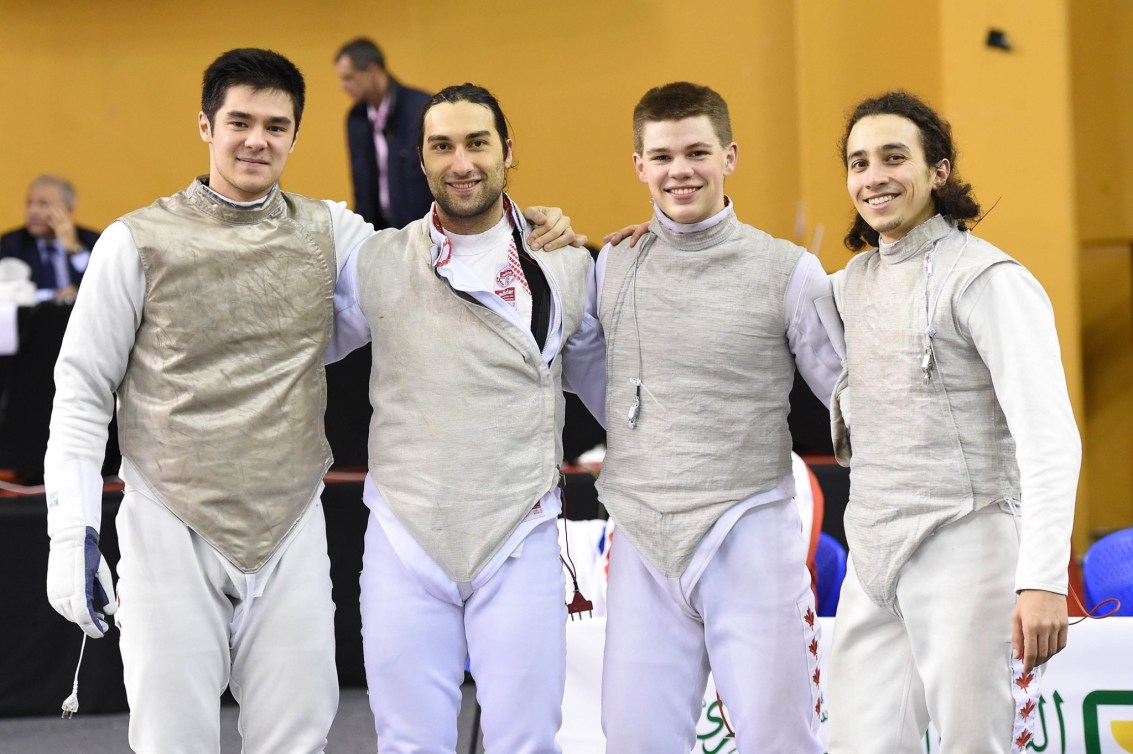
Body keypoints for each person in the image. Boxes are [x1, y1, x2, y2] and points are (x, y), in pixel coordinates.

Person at [43, 50, 576, 754]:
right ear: (206, 125)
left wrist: (527, 230)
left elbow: (431, 255)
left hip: (289, 522)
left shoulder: (329, 233)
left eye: (275, 124)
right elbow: (80, 389)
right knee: (174, 739)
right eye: (239, 122)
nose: (255, 140)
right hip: (171, 519)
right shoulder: (134, 241)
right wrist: (69, 529)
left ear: (295, 136)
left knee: (298, 738)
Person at [327, 82, 606, 754]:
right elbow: (295, 347)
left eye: (477, 143)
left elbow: (608, 390)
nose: (461, 162)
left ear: (508, 151)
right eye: (442, 146)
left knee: (526, 741)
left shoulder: (564, 262)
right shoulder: (380, 262)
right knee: (407, 743)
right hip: (406, 533)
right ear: (419, 162)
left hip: (520, 533)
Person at [825, 90, 1081, 753]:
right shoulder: (847, 284)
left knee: (975, 744)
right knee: (861, 744)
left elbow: (1048, 435)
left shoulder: (988, 279)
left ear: (938, 170)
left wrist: (1043, 578)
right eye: (857, 163)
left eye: (892, 157)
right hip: (873, 554)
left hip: (965, 538)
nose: (873, 176)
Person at [594, 81, 840, 753]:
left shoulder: (788, 270)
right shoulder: (611, 263)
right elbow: (594, 381)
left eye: (697, 152)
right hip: (642, 533)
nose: (681, 170)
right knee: (636, 740)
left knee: (778, 738)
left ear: (729, 156)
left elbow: (847, 397)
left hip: (748, 526)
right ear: (638, 165)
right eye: (663, 156)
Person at [335, 37, 433, 230]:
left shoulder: (421, 109)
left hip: (422, 231)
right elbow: (361, 186)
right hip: (379, 232)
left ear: (372, 71)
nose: (343, 86)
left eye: (349, 77)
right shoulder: (355, 119)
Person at [1, 175, 100, 302]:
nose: (33, 211)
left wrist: (74, 249)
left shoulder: (92, 239)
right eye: (29, 203)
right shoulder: (14, 242)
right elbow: (7, 292)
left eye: (43, 204)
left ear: (68, 210)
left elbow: (100, 284)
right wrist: (53, 295)